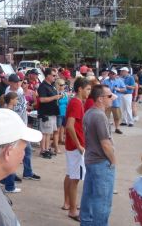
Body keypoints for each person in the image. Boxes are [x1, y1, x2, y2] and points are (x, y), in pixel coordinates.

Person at [80, 84, 116, 226]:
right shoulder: (99, 116)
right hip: (101, 162)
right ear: (100, 99)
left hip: (91, 160)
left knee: (89, 197)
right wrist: (113, 161)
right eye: (109, 96)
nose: (111, 98)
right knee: (103, 201)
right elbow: (105, 144)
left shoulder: (89, 112)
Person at [62, 77, 91, 222]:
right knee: (75, 179)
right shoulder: (76, 103)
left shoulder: (77, 102)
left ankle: (68, 203)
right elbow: (69, 125)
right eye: (87, 89)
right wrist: (79, 145)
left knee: (70, 175)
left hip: (73, 146)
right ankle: (73, 210)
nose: (89, 92)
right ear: (80, 89)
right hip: (76, 147)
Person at [6, 73, 40, 180]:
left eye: (19, 81)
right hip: (16, 128)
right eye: (16, 82)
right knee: (15, 152)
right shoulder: (9, 93)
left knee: (27, 150)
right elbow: (12, 111)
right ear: (10, 83)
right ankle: (10, 175)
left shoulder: (20, 90)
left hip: (23, 125)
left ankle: (27, 173)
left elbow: (22, 108)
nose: (18, 84)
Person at [37, 68, 62, 159]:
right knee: (44, 132)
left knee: (48, 133)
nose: (55, 77)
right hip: (46, 113)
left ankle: (47, 149)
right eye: (53, 75)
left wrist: (57, 97)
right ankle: (43, 150)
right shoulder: (43, 86)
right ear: (47, 75)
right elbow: (42, 99)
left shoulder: (51, 85)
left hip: (52, 112)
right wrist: (55, 97)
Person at [1, 92, 21, 193]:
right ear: (11, 100)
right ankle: (10, 186)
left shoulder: (5, 110)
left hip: (7, 139)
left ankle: (5, 181)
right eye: (16, 99)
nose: (17, 101)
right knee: (12, 162)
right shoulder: (9, 111)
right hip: (10, 139)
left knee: (6, 162)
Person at [103, 69, 126, 134]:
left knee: (117, 116)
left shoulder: (119, 81)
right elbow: (101, 88)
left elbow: (124, 89)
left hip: (116, 101)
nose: (111, 75)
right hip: (107, 101)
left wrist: (119, 89)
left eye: (113, 74)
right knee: (106, 116)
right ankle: (106, 129)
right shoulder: (105, 81)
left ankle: (117, 128)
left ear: (116, 75)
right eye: (110, 73)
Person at [54, 78, 69, 153]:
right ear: (58, 85)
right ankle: (56, 146)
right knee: (57, 130)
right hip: (59, 113)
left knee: (63, 128)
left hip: (64, 113)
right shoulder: (56, 93)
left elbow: (67, 102)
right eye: (62, 85)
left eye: (64, 85)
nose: (64, 86)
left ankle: (60, 140)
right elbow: (57, 103)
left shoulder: (65, 93)